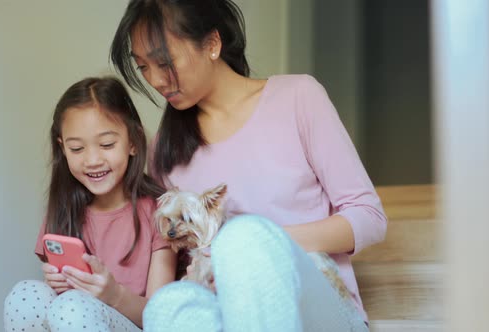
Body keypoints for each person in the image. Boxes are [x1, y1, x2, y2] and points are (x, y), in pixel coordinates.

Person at [110, 1, 387, 331]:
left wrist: (258, 244)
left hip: (322, 308)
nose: (154, 79)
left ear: (212, 44)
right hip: (224, 310)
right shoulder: (165, 149)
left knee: (242, 239)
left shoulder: (298, 98)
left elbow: (369, 217)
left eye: (164, 62)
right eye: (142, 67)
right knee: (166, 308)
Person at [3, 77, 177, 332]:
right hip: (75, 319)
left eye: (107, 145)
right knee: (25, 295)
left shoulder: (161, 212)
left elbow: (162, 319)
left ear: (133, 141)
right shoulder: (64, 209)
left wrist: (114, 295)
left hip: (136, 324)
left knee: (73, 306)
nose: (92, 160)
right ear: (62, 148)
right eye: (76, 149)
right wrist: (56, 282)